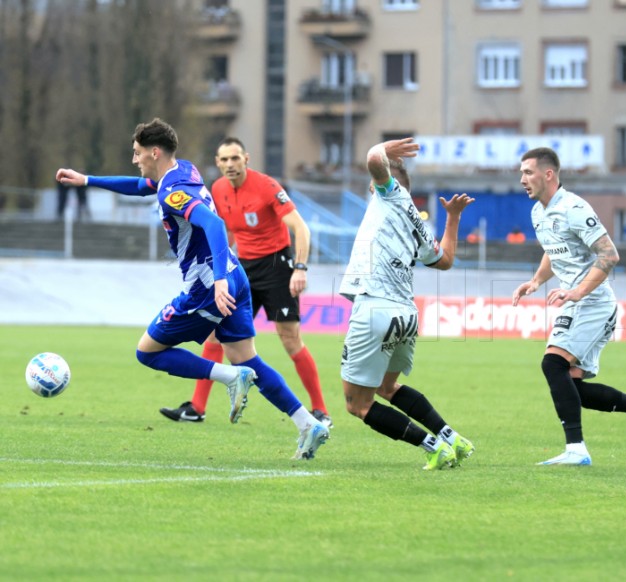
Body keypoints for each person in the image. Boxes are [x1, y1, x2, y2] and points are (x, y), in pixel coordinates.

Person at [55, 118, 329, 460]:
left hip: (207, 287)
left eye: (138, 153)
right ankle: (308, 424)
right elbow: (140, 186)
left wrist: (216, 281)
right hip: (237, 275)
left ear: (154, 152)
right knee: (250, 359)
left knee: (147, 352)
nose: (135, 160)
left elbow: (213, 223)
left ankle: (229, 377)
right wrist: (88, 180)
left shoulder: (172, 191)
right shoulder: (184, 171)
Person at [158, 137, 331, 428]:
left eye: (235, 159)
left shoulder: (267, 187)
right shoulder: (218, 189)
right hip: (243, 268)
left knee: (290, 339)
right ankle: (196, 408)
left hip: (277, 266)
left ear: (246, 159)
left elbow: (300, 228)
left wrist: (300, 269)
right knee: (215, 334)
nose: (229, 165)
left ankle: (320, 410)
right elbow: (227, 235)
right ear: (217, 163)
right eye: (224, 160)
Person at [511, 147, 626, 466]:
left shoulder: (573, 208)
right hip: (577, 301)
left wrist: (578, 291)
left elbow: (609, 255)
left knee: (552, 364)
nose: (522, 179)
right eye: (521, 173)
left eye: (528, 172)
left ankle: (576, 450)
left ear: (548, 174)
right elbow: (554, 250)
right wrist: (537, 281)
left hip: (593, 302)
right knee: (573, 387)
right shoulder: (539, 212)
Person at [339, 137, 476, 471]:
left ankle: (433, 446)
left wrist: (383, 151)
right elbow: (444, 260)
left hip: (375, 307)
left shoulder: (391, 194)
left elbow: (373, 157)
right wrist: (453, 217)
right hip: (406, 315)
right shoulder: (416, 220)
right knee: (388, 387)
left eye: (376, 182)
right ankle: (451, 437)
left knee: (357, 404)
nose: (372, 186)